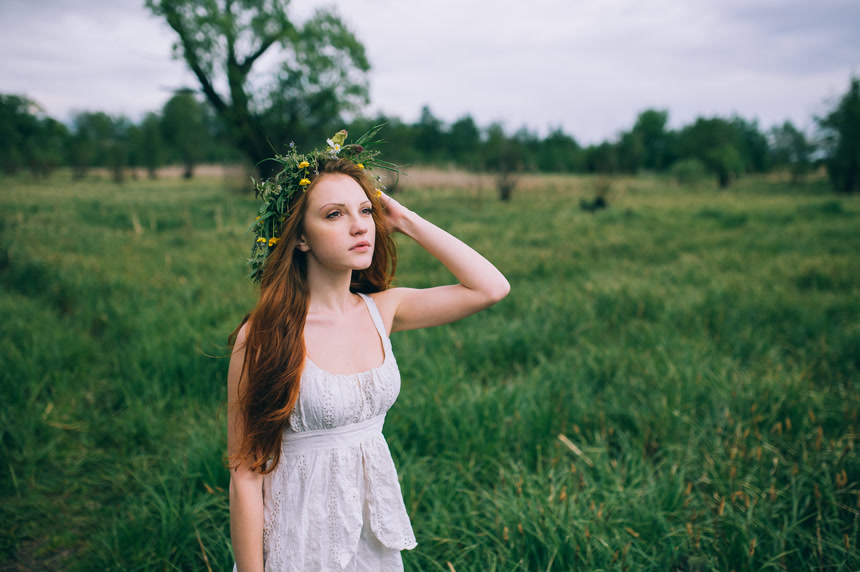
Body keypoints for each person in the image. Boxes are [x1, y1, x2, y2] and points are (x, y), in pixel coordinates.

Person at [227, 129, 510, 571]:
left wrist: (406, 219)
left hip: (371, 540)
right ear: (300, 237)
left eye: (365, 210)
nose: (360, 226)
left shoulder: (385, 309)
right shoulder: (263, 335)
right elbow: (245, 473)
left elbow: (491, 287)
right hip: (300, 538)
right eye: (334, 214)